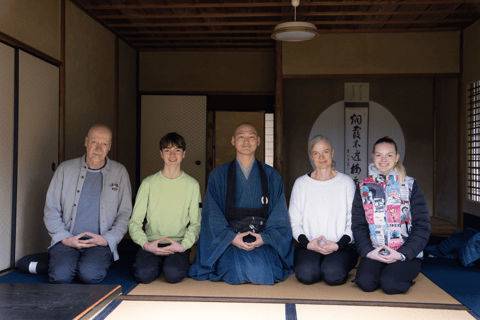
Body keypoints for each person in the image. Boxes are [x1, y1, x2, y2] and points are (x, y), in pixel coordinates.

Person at [188, 123, 294, 285]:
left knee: (264, 269)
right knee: (234, 269)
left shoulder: (271, 175)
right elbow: (212, 216)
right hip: (230, 237)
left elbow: (279, 216)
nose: (246, 141)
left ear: (258, 141)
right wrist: (231, 238)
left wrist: (264, 238)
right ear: (233, 141)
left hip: (261, 236)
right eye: (241, 137)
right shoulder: (218, 175)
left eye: (251, 136)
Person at [44, 124, 132, 284]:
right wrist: (64, 238)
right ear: (86, 142)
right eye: (94, 142)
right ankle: (57, 262)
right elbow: (51, 210)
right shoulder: (65, 169)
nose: (98, 148)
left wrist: (107, 239)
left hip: (99, 242)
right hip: (68, 239)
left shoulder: (119, 172)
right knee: (60, 277)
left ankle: (79, 263)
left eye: (104, 143)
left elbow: (124, 214)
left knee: (89, 275)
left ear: (110, 146)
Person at [351, 136, 431, 294]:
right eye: (379, 155)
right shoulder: (363, 186)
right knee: (365, 282)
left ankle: (398, 272)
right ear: (373, 157)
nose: (383, 160)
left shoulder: (410, 184)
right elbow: (358, 224)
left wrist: (402, 253)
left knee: (390, 284)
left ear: (396, 158)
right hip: (376, 251)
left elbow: (422, 225)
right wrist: (369, 251)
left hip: (405, 252)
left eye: (389, 155)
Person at [128, 132, 201, 284]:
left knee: (173, 275)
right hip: (152, 242)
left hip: (178, 243)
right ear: (161, 154)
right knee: (143, 275)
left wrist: (183, 246)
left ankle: (170, 263)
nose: (172, 155)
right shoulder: (148, 183)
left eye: (177, 150)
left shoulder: (192, 185)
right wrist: (146, 244)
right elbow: (135, 222)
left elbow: (196, 223)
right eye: (167, 150)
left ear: (184, 154)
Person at [289, 135, 358, 285]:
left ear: (332, 152)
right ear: (311, 156)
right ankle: (315, 260)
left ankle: (333, 262)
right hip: (309, 244)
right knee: (306, 274)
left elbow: (354, 220)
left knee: (334, 275)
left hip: (341, 245)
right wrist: (307, 243)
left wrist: (338, 245)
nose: (321, 157)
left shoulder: (346, 183)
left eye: (325, 152)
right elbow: (294, 221)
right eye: (316, 153)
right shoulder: (301, 184)